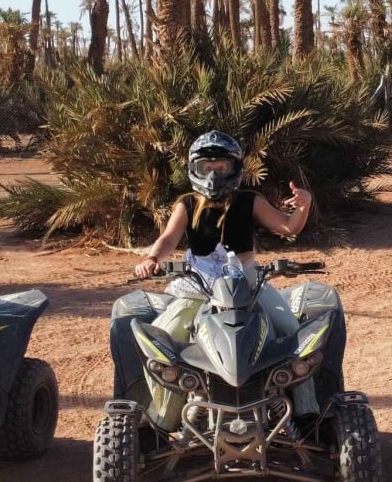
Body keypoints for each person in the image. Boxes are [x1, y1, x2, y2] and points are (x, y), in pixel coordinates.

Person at [131, 131, 312, 341]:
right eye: (206, 167)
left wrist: (304, 204)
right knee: (164, 338)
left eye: (222, 168)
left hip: (248, 282)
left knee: (291, 331)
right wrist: (152, 259)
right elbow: (169, 239)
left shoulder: (249, 200)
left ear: (235, 168)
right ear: (194, 169)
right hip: (199, 284)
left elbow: (288, 227)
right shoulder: (187, 204)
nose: (213, 175)